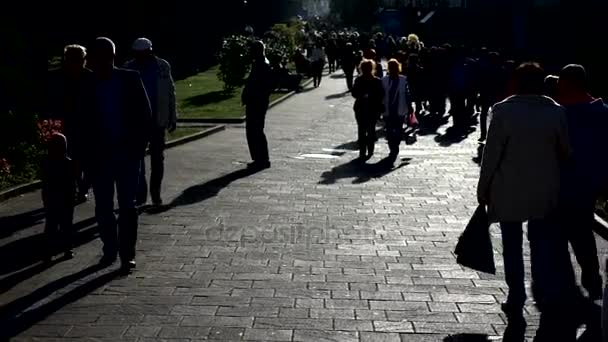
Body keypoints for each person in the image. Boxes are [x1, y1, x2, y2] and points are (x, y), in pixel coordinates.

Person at [478, 62, 578, 341]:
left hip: (508, 188)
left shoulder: (503, 111)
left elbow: (492, 154)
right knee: (542, 243)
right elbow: (566, 151)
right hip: (544, 190)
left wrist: (483, 188)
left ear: (517, 83)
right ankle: (544, 291)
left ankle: (516, 294)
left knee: (511, 245)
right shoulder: (556, 112)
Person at [87, 37, 152, 271]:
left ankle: (127, 254)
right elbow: (80, 122)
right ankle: (110, 249)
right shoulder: (87, 83)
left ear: (112, 57)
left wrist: (138, 147)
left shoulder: (129, 78)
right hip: (100, 156)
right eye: (96, 57)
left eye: (106, 56)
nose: (100, 61)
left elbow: (145, 114)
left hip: (127, 154)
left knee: (127, 207)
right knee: (103, 207)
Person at [557, 64, 608, 303]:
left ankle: (568, 285)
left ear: (567, 83)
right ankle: (591, 279)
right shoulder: (602, 111)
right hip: (589, 183)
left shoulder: (560, 113)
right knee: (582, 234)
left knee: (559, 235)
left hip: (562, 182)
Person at [124, 38, 177, 207]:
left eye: (144, 53)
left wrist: (172, 116)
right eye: (138, 54)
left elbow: (170, 91)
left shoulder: (162, 66)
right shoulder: (128, 68)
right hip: (137, 122)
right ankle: (141, 195)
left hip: (157, 120)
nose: (141, 57)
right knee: (137, 159)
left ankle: (155, 194)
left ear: (150, 51)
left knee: (157, 159)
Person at [46, 44, 94, 203]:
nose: (78, 63)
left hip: (84, 124)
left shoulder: (90, 77)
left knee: (84, 159)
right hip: (62, 124)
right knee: (67, 158)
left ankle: (82, 187)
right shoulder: (56, 77)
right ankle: (73, 187)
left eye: (80, 60)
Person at [42, 133, 76, 261]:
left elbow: (45, 183)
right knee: (66, 225)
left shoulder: (46, 162)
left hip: (53, 198)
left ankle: (50, 251)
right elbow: (73, 183)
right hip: (65, 198)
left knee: (52, 224)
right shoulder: (68, 162)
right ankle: (67, 249)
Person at [242, 41, 273, 170]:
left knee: (255, 130)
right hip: (255, 101)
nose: (250, 53)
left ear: (258, 51)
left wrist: (254, 97)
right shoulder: (259, 63)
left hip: (257, 102)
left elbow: (264, 86)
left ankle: (262, 159)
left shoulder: (262, 64)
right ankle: (259, 158)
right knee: (254, 130)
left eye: (252, 50)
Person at [351, 59, 384, 160]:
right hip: (373, 109)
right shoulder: (377, 81)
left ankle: (362, 151)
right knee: (371, 129)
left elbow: (354, 94)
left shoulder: (358, 80)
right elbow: (381, 95)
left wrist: (362, 95)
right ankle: (370, 149)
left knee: (361, 130)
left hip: (360, 108)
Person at [382, 59, 413, 161]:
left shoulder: (403, 80)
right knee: (393, 130)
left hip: (396, 109)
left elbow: (407, 95)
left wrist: (410, 107)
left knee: (395, 130)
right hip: (390, 110)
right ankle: (394, 147)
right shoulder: (385, 80)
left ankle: (394, 146)